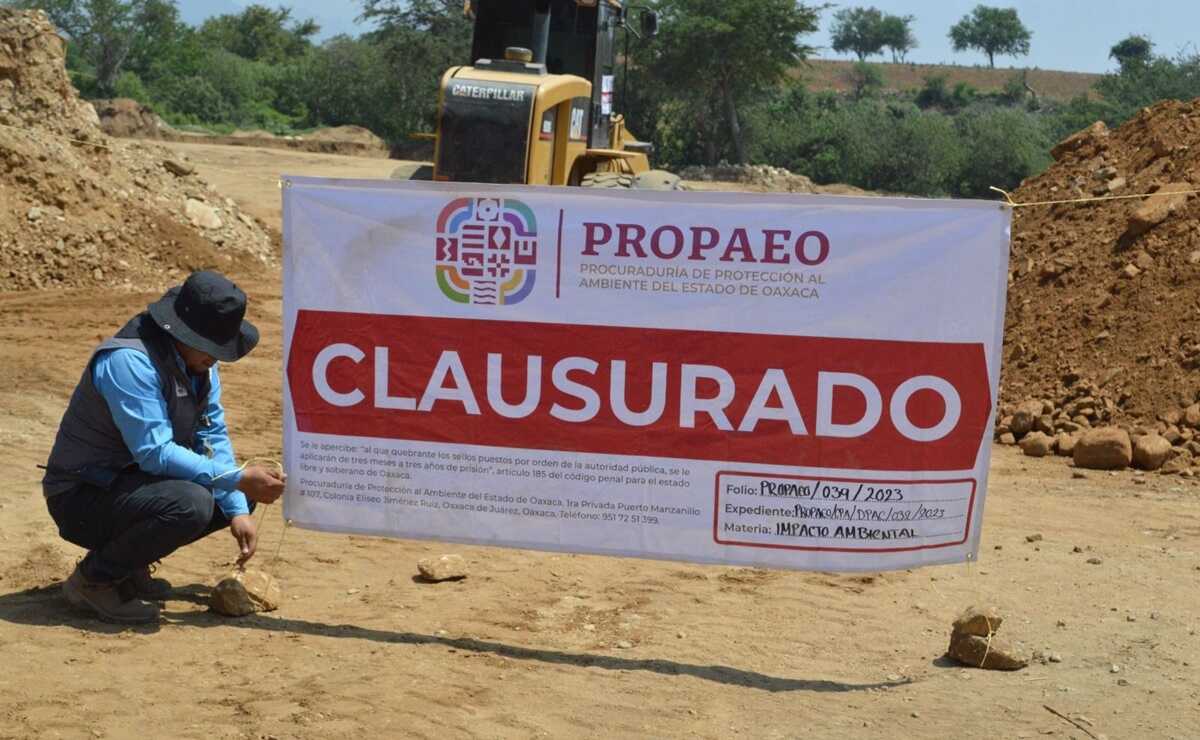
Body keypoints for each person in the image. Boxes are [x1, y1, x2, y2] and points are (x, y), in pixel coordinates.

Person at [42, 270, 286, 624]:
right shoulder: (129, 362)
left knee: (240, 491)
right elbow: (154, 453)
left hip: (129, 486)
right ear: (184, 334)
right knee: (194, 502)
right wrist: (236, 479)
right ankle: (94, 581)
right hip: (80, 496)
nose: (217, 359)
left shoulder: (199, 364)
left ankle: (129, 564)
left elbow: (212, 436)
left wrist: (237, 511)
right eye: (213, 348)